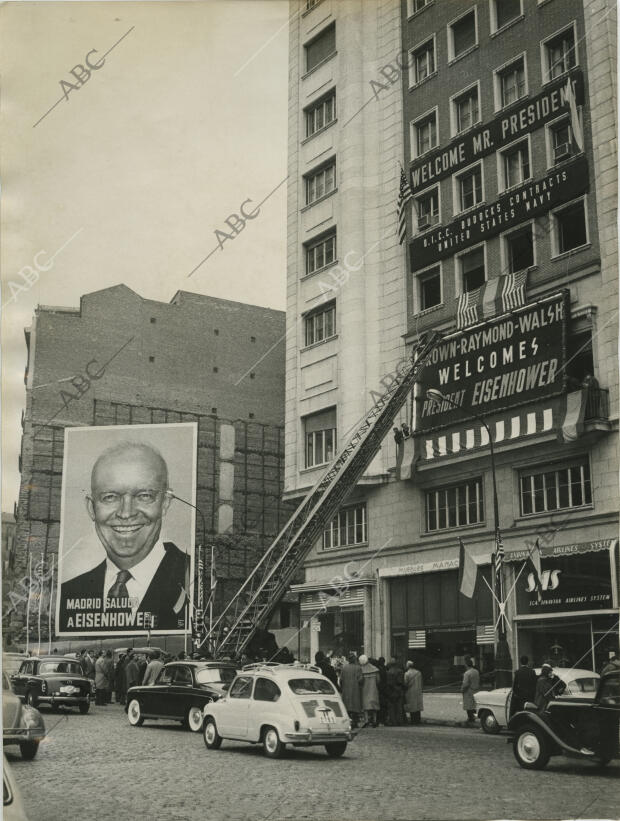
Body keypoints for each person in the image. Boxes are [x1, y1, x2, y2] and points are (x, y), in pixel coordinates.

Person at [58, 442, 190, 633]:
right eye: (110, 497)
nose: (126, 513)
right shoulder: (68, 594)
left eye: (144, 496)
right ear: (91, 508)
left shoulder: (195, 579)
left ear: (165, 504)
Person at [340, 653, 363, 729]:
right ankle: (355, 722)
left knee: (347, 707)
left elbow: (341, 680)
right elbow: (360, 680)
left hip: (346, 690)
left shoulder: (344, 668)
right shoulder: (358, 668)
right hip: (355, 690)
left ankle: (348, 721)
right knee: (355, 706)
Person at [358, 655, 380, 727]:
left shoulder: (361, 670)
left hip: (365, 689)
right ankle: (375, 721)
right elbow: (378, 681)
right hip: (374, 689)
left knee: (365, 706)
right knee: (374, 705)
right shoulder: (375, 669)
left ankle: (366, 720)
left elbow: (360, 681)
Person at [386, 658, 405, 726]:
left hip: (391, 691)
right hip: (399, 690)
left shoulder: (388, 672)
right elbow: (401, 682)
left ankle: (393, 721)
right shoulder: (400, 671)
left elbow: (388, 683)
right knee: (399, 707)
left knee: (392, 707)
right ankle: (400, 721)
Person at [461, 656, 480, 724]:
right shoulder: (476, 671)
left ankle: (470, 718)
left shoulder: (467, 673)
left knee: (468, 705)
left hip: (468, 691)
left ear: (466, 665)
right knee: (474, 705)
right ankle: (473, 717)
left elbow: (465, 684)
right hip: (476, 690)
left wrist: (462, 690)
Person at [404, 660, 424, 725]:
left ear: (408, 666)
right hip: (418, 691)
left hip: (410, 691)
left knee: (412, 706)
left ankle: (413, 721)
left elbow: (405, 683)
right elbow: (421, 682)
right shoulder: (419, 673)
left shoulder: (407, 674)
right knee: (417, 706)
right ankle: (418, 720)